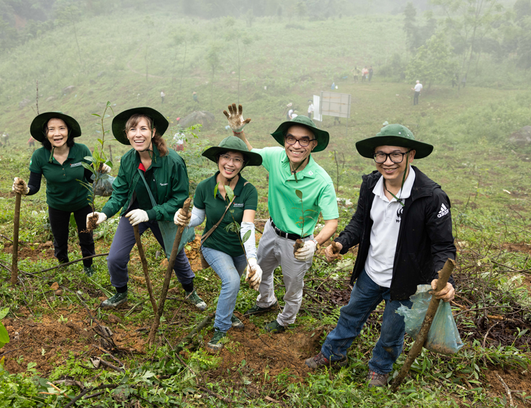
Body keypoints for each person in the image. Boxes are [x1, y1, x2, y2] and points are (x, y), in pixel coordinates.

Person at [304, 124, 456, 388]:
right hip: (371, 273)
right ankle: (332, 353)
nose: (387, 162)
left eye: (395, 154)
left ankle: (380, 368)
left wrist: (443, 279)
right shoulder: (371, 184)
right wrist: (342, 243)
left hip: (407, 281)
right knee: (350, 315)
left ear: (411, 155)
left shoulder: (431, 197)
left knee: (391, 330)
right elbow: (360, 222)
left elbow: (442, 246)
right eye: (381, 155)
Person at [225, 104, 339, 334]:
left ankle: (286, 319)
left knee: (293, 284)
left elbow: (332, 222)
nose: (296, 145)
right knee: (262, 270)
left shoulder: (321, 180)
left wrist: (314, 244)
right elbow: (250, 154)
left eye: (304, 140)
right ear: (284, 140)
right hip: (271, 229)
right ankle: (266, 301)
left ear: (313, 144)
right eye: (291, 138)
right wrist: (238, 132)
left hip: (298, 243)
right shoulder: (275, 157)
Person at [86, 107, 206, 310]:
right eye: (132, 129)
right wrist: (104, 214)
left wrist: (149, 214)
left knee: (175, 255)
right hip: (134, 212)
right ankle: (120, 293)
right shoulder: (127, 160)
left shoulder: (173, 161)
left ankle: (190, 290)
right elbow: (120, 193)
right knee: (115, 258)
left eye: (143, 128)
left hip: (165, 214)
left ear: (153, 132)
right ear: (127, 134)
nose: (138, 134)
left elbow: (179, 198)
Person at [174, 136, 263, 352]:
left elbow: (247, 226)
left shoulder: (248, 190)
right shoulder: (205, 187)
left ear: (243, 164)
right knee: (232, 281)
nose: (230, 163)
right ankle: (221, 329)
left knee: (233, 283)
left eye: (237, 159)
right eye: (225, 157)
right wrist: (184, 218)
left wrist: (252, 259)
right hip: (214, 245)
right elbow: (198, 218)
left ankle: (228, 313)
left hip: (240, 250)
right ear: (217, 159)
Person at [12, 112, 106, 277]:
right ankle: (64, 266)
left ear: (68, 131)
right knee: (60, 238)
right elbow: (34, 185)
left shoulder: (81, 150)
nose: (57, 133)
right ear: (46, 134)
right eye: (51, 129)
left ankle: (88, 267)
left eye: (61, 128)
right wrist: (25, 189)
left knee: (86, 236)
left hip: (82, 202)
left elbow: (90, 178)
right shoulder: (39, 156)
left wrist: (99, 171)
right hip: (57, 204)